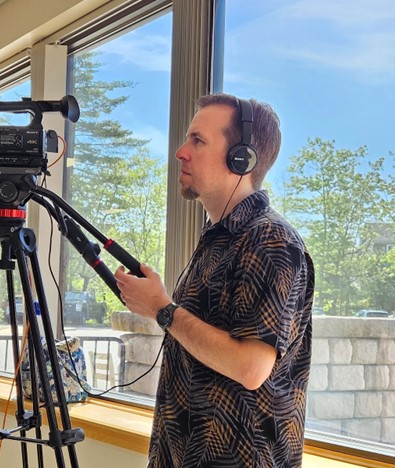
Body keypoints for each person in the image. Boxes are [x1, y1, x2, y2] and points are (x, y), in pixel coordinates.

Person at [115, 93, 314, 467]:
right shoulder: (217, 239)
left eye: (198, 141)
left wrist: (162, 308)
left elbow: (250, 368)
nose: (181, 152)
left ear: (241, 158)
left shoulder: (271, 241)